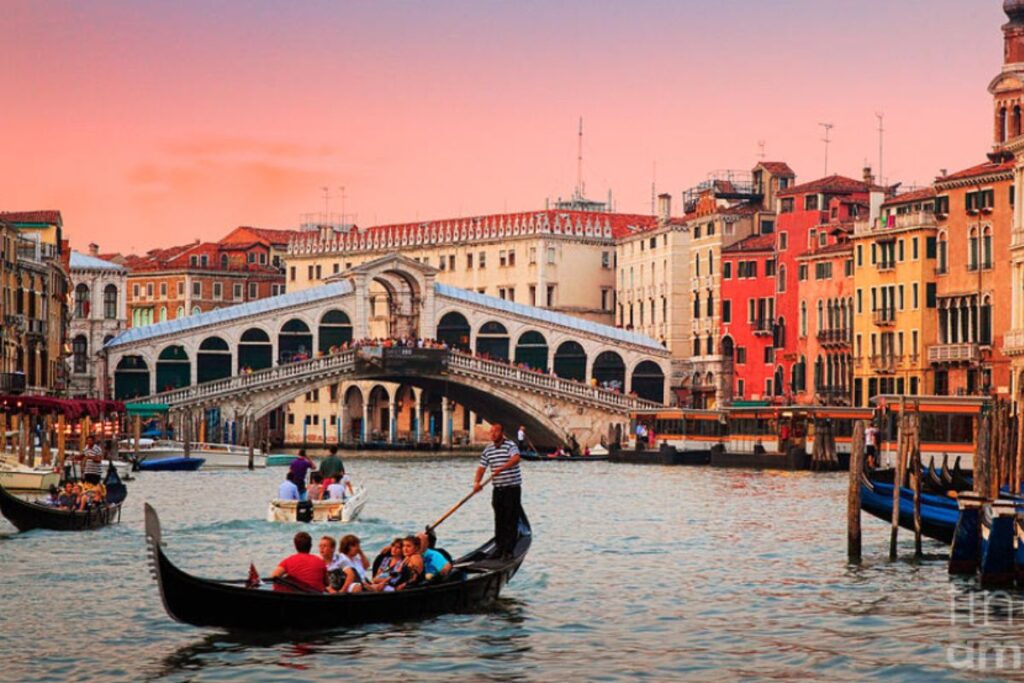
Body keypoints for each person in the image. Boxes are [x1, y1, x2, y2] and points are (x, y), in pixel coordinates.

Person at [474, 423, 523, 560]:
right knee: (499, 519)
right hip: (498, 489)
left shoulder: (510, 445)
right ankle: (499, 548)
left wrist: (502, 468)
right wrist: (477, 482)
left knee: (510, 520)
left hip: (512, 489)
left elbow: (516, 458)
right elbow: (481, 468)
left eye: (496, 432)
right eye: (491, 432)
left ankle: (508, 551)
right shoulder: (488, 450)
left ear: (502, 433)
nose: (493, 434)